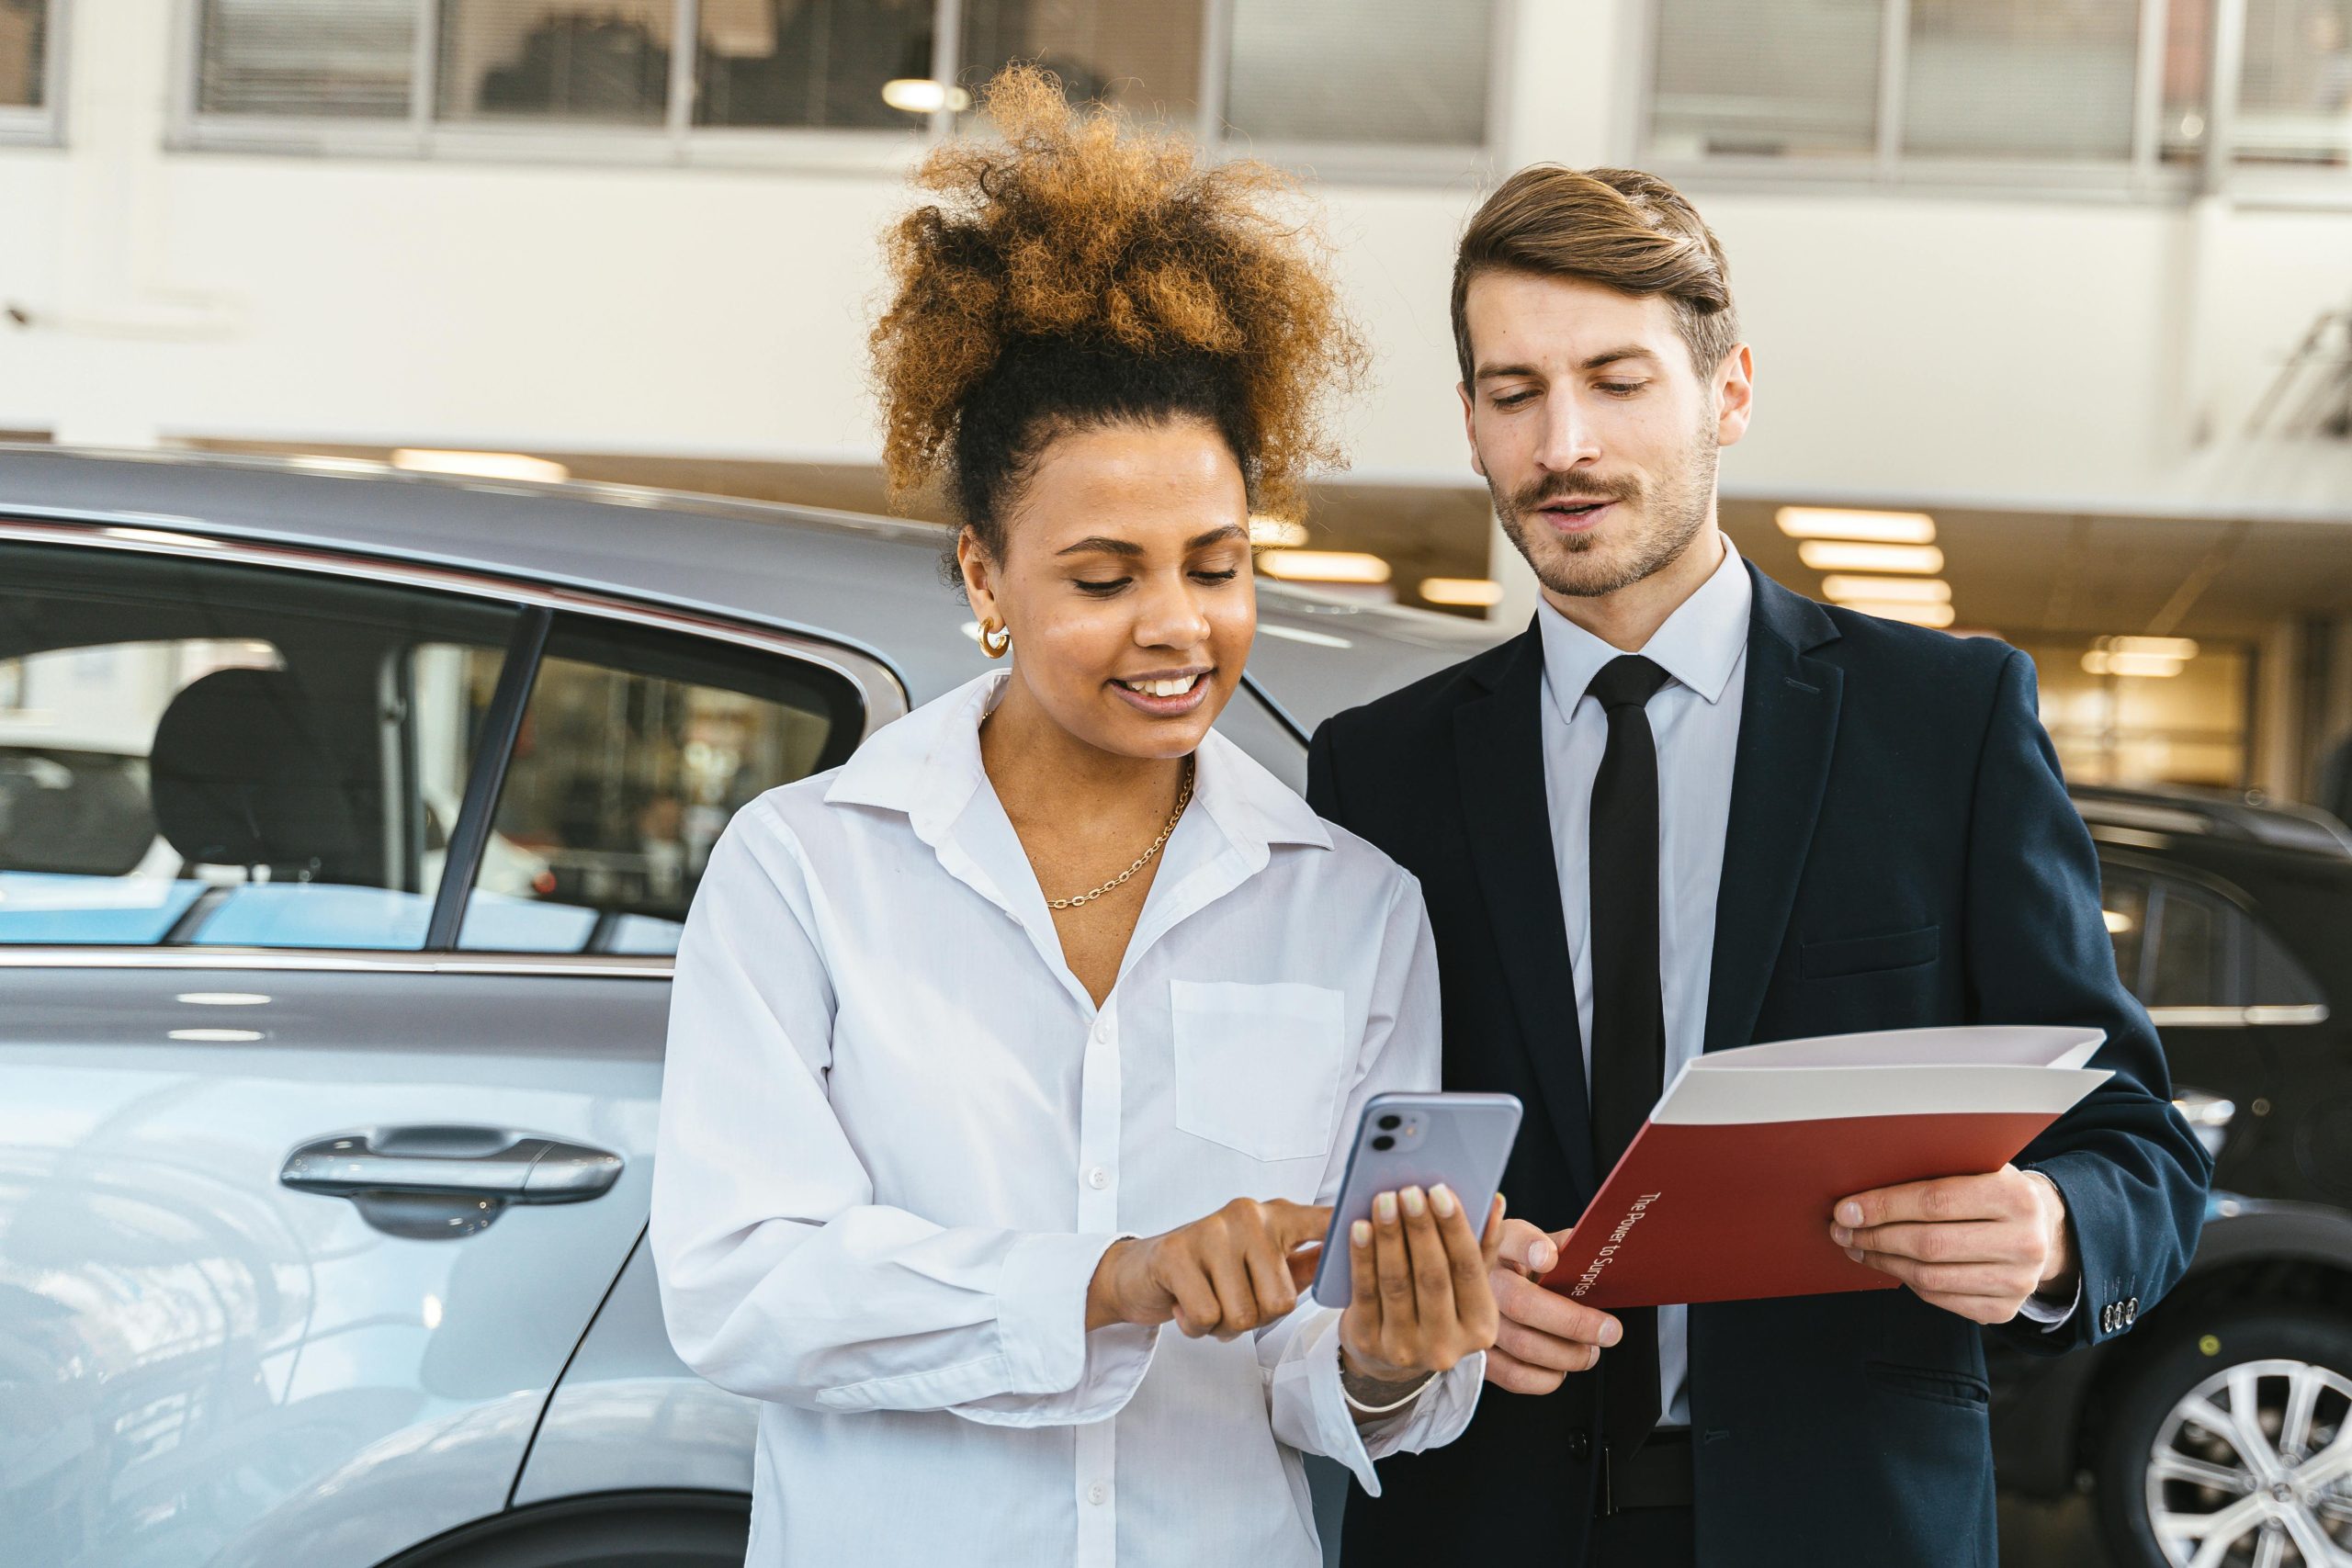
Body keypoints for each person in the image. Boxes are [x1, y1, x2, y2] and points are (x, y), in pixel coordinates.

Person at [650, 68, 1503, 1568]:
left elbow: (1315, 1375)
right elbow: (742, 1285)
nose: (1178, 626)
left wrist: (1387, 1354)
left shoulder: (1352, 906)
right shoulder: (808, 869)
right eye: (1105, 578)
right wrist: (1111, 1280)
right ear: (986, 580)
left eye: (1217, 564)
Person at [1307, 165, 2213, 1568]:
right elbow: (1326, 1156)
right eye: (1513, 392)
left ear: (1728, 392)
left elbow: (2138, 1147)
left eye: (1617, 382)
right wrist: (1421, 1292)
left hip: (1849, 1519)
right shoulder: (1380, 768)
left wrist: (2048, 1224)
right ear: (1475, 424)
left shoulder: (1943, 723)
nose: (1563, 444)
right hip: (1480, 1515)